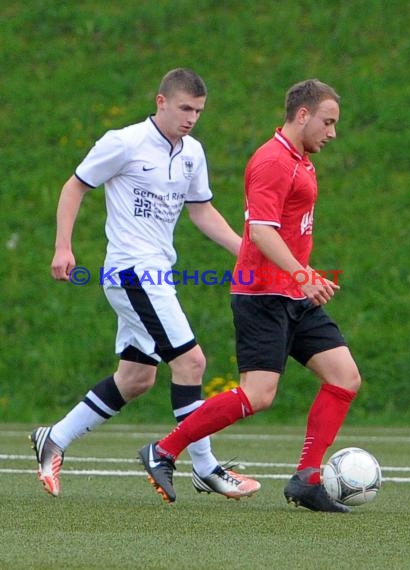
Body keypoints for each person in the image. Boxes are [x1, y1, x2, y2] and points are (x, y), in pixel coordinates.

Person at [30, 68, 260, 501]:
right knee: (191, 363)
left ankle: (54, 438)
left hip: (157, 273)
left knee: (136, 378)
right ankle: (206, 468)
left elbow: (202, 212)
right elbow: (74, 187)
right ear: (161, 102)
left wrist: (248, 253)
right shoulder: (124, 141)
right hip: (133, 271)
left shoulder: (192, 151)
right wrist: (63, 247)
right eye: (184, 108)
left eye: (198, 110)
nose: (191, 118)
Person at [139, 79, 361, 511]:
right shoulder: (273, 160)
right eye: (327, 122)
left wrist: (304, 277)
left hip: (293, 293)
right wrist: (301, 276)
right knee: (258, 395)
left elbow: (288, 231)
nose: (332, 132)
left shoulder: (302, 160)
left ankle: (307, 479)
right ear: (302, 115)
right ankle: (163, 450)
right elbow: (259, 231)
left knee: (344, 377)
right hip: (262, 295)